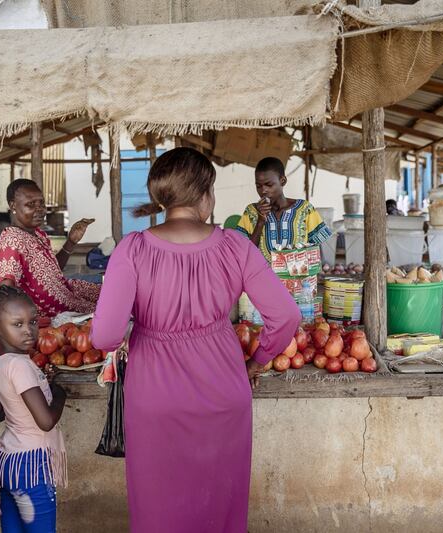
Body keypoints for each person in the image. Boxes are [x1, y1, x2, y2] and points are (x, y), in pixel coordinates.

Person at [90, 147, 300, 533]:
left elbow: (104, 334)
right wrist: (257, 361)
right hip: (224, 389)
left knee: (160, 512)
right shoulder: (236, 247)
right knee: (218, 509)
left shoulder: (132, 249)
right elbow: (286, 316)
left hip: (153, 398)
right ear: (206, 194)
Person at [0, 285, 67, 533]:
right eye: (18, 324)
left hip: (8, 462)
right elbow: (45, 421)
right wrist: (59, 394)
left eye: (32, 322)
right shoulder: (20, 366)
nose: (29, 330)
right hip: (32, 466)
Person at [0, 179, 100, 317]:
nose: (40, 210)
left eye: (41, 203)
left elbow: (54, 271)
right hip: (50, 312)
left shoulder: (39, 234)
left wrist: (71, 241)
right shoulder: (12, 238)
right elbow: (6, 287)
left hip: (67, 294)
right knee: (108, 307)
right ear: (13, 206)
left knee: (109, 293)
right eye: (31, 204)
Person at [236, 157, 332, 260]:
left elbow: (317, 250)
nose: (263, 190)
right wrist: (260, 221)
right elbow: (244, 252)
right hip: (263, 276)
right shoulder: (251, 212)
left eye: (269, 184)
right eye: (258, 186)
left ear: (283, 181)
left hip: (300, 275)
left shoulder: (305, 209)